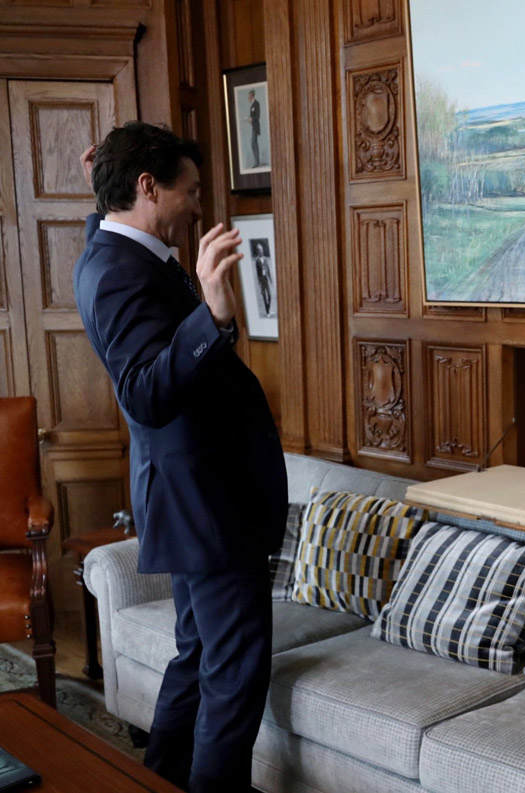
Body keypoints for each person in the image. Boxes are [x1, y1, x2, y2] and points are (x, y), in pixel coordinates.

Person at [72, 121, 288, 793]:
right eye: (188, 190)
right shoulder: (117, 270)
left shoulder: (109, 245)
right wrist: (213, 319)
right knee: (235, 671)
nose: (197, 204)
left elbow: (104, 229)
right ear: (148, 187)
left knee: (199, 656)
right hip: (209, 504)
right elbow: (144, 392)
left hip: (194, 499)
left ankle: (158, 780)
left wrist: (96, 192)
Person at [254, 242, 272, 314]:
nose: (261, 251)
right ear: (258, 251)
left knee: (270, 295)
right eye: (259, 250)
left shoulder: (265, 259)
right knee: (264, 296)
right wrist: (259, 283)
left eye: (262, 250)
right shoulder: (257, 261)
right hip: (261, 280)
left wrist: (270, 279)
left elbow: (268, 270)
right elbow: (257, 273)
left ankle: (268, 308)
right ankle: (267, 312)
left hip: (266, 279)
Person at [247, 89, 261, 168]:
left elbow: (258, 116)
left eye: (249, 96)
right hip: (253, 126)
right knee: (254, 144)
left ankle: (256, 162)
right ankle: (257, 162)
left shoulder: (256, 104)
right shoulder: (252, 105)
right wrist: (250, 119)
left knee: (253, 143)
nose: (248, 98)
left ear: (252, 96)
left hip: (256, 126)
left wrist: (252, 119)